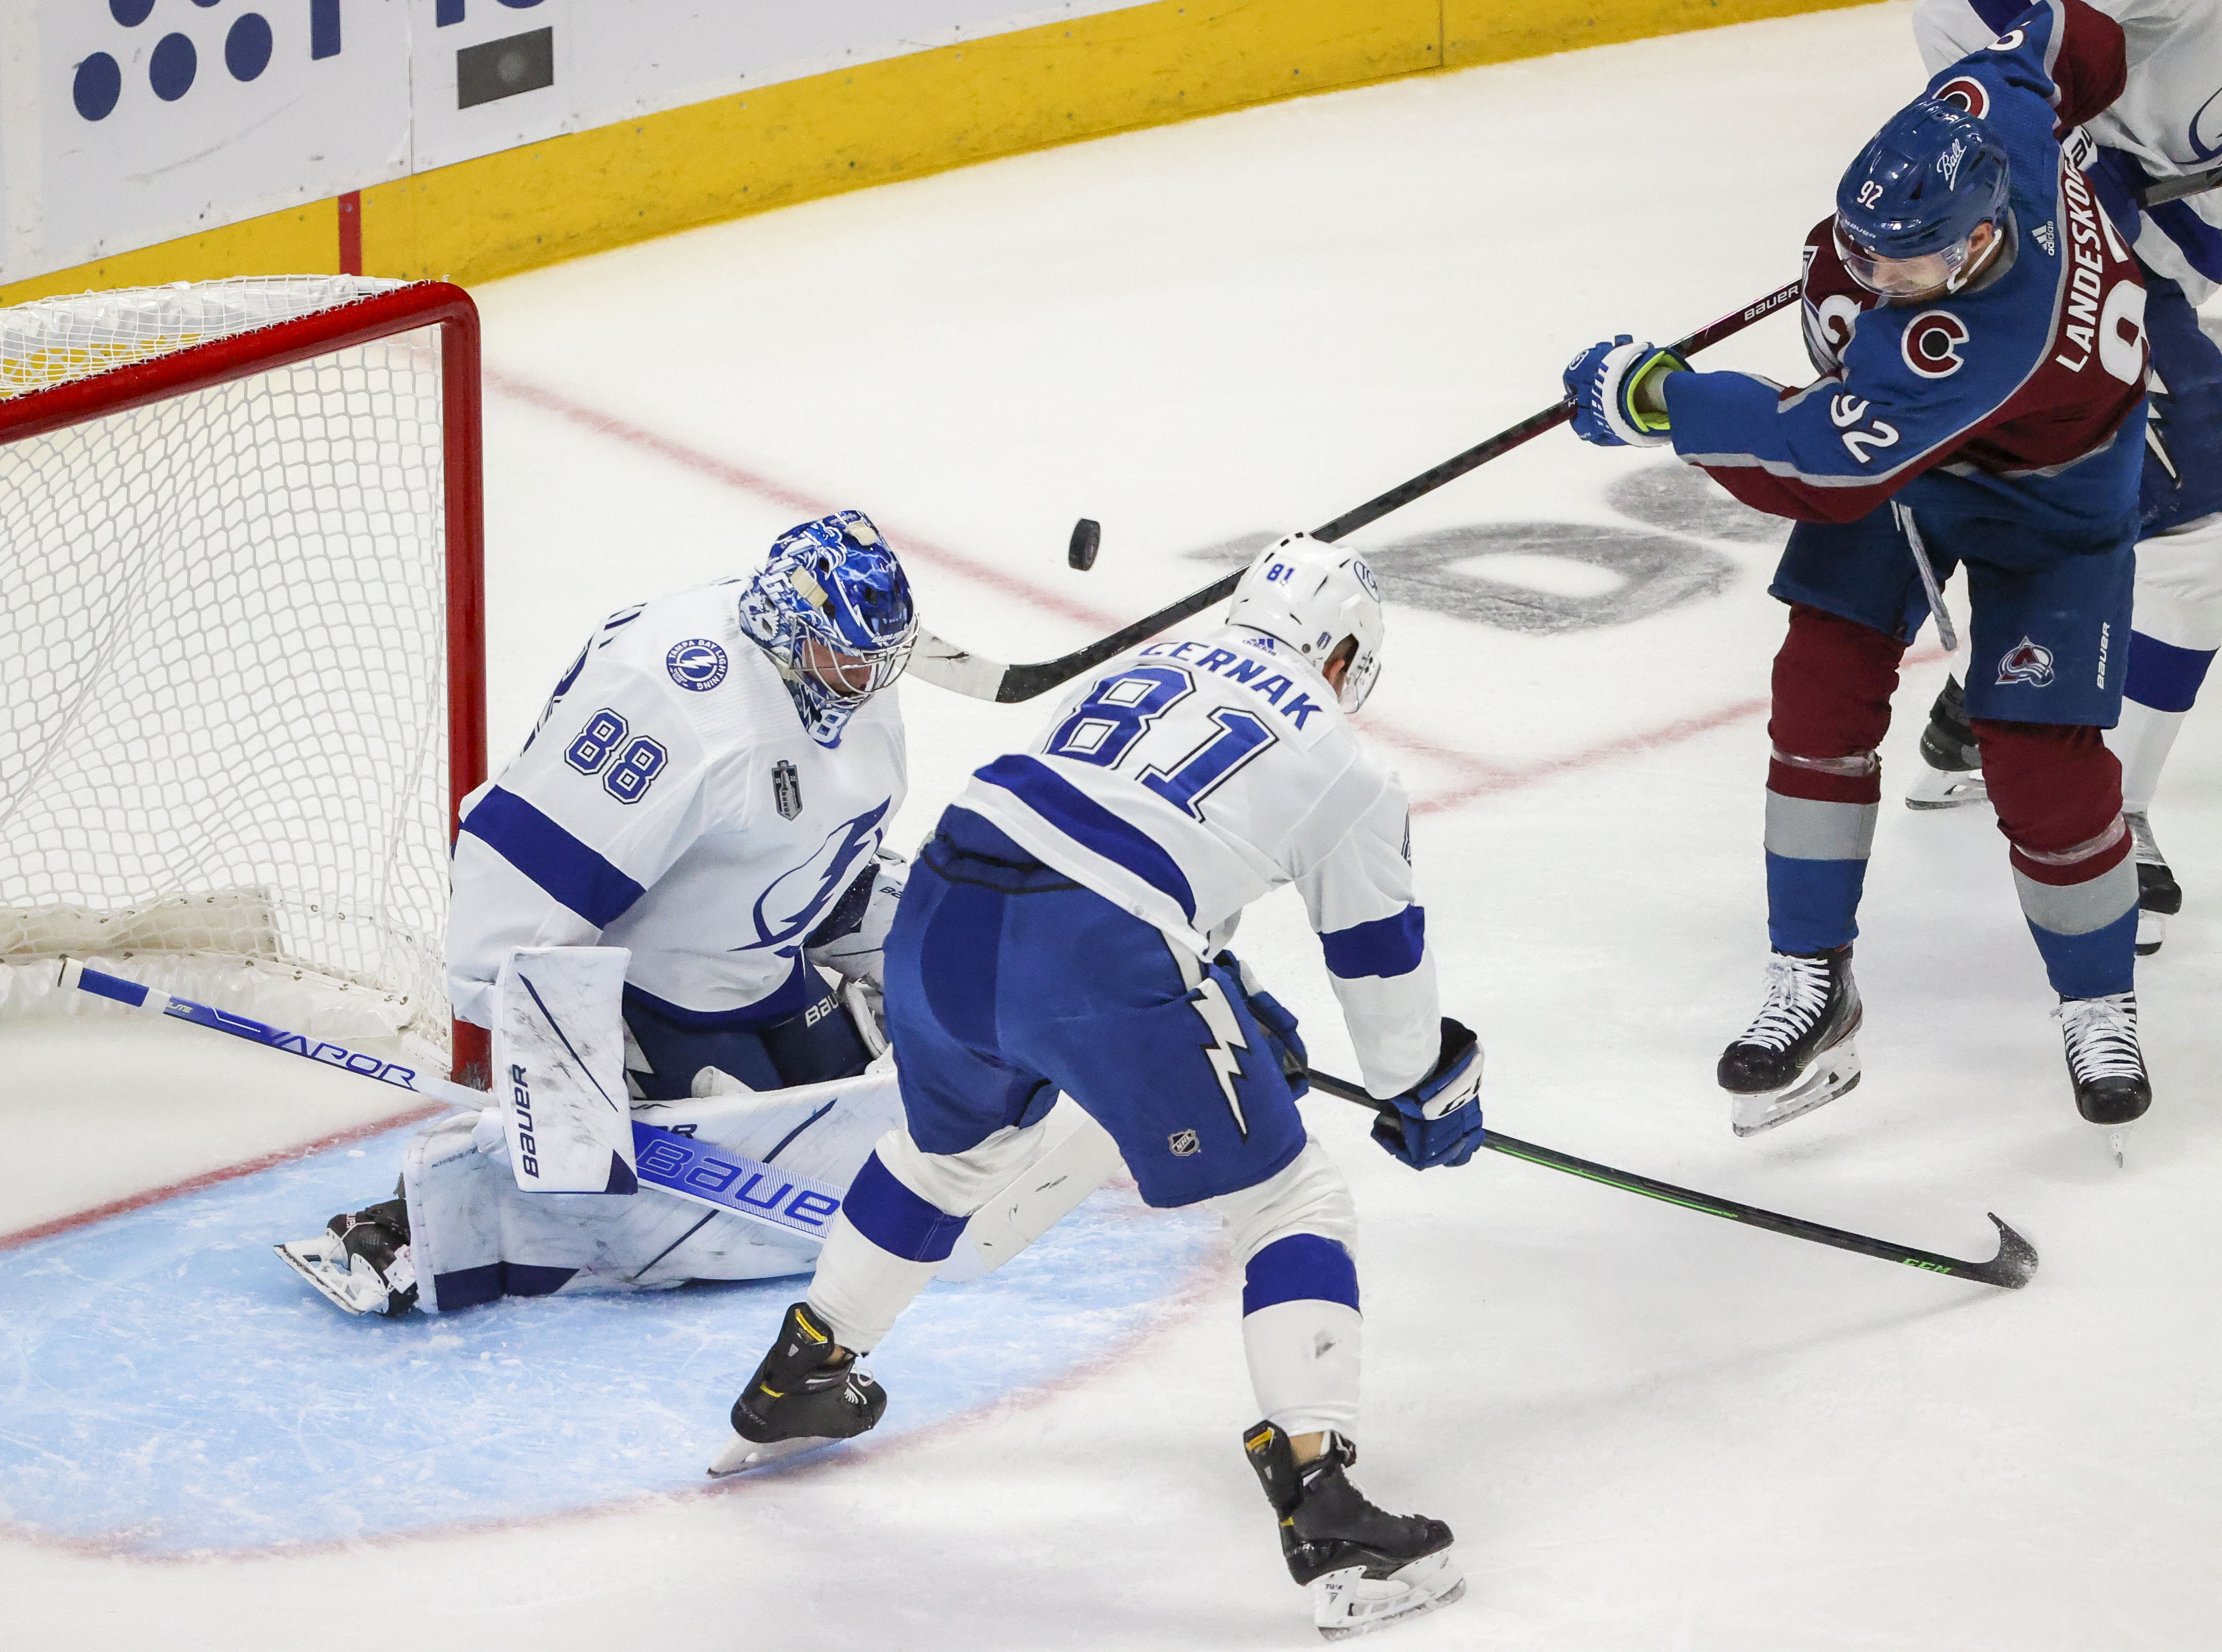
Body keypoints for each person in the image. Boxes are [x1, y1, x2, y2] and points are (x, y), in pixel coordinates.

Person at [714, 535, 1484, 1641]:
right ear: (1343, 650)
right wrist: (1426, 1085)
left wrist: (1222, 987)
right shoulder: (1347, 760)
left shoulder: (1148, 669)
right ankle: (1326, 1513)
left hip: (942, 906)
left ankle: (801, 1371)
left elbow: (1105, 830)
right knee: (1289, 1202)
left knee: (950, 1155)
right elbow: (1375, 966)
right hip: (1093, 951)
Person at [1562, 0, 2152, 1148]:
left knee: (2037, 761)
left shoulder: (1978, 336)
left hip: (2052, 501)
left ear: (1978, 241)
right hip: (1927, 452)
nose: (1874, 271)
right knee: (1817, 691)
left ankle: (2099, 1004)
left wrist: (1653, 399)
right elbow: (2074, 40)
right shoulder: (1987, 113)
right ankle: (1810, 980)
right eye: (1864, 242)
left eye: (1901, 259)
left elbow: (1814, 461)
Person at [277, 511, 920, 1316]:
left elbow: (808, 841)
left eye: (877, 660)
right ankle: (408, 1221)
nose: (865, 679)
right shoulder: (680, 706)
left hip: (764, 967)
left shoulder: (845, 687)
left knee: (868, 1135)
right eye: (847, 657)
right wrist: (561, 1057)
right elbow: (520, 875)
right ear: (787, 628)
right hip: (659, 989)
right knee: (746, 1180)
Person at [1901, 0, 2222, 958]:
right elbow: (2012, 103)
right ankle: (2102, 817)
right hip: (2092, 236)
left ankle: (1992, 701)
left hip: (2184, 210)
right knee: (2198, 522)